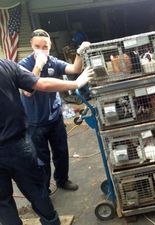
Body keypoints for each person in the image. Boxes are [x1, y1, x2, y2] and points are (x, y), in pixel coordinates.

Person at [0, 58, 93, 225]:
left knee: (2, 202)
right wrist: (76, 84)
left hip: (28, 135)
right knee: (36, 191)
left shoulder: (51, 62)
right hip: (16, 143)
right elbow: (41, 84)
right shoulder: (6, 65)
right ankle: (51, 221)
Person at [18, 29, 91, 192]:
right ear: (31, 45)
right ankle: (44, 188)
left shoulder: (53, 62)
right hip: (34, 121)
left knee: (61, 151)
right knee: (40, 158)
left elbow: (75, 69)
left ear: (50, 46)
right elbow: (27, 91)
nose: (41, 50)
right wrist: (38, 65)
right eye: (37, 46)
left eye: (45, 47)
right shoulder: (22, 65)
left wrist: (79, 53)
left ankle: (62, 180)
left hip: (55, 117)